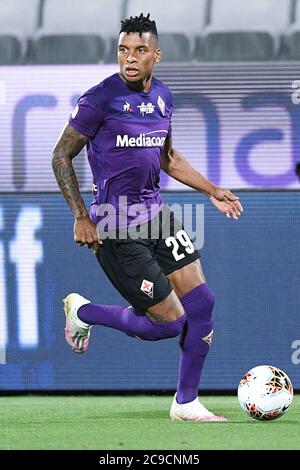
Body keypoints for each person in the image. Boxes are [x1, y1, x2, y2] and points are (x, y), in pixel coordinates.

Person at [52, 13, 243, 422]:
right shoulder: (99, 99)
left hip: (157, 215)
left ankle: (186, 402)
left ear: (157, 54)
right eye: (124, 50)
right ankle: (83, 312)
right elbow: (60, 156)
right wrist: (80, 215)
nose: (130, 58)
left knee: (203, 302)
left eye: (140, 50)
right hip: (115, 227)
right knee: (169, 324)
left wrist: (211, 189)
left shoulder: (164, 98)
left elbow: (168, 157)